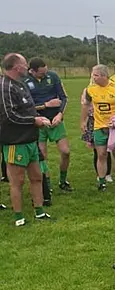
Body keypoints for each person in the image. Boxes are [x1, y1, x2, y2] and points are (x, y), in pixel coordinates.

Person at [0, 53, 53, 226]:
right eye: (24, 64)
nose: (27, 67)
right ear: (16, 67)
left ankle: (39, 211)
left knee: (37, 176)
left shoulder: (20, 84)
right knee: (17, 181)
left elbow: (27, 110)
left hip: (31, 140)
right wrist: (33, 121)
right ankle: (19, 217)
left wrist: (39, 118)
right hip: (16, 142)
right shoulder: (5, 86)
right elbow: (9, 116)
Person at [26, 57, 70, 203]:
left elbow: (64, 98)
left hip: (56, 120)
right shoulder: (24, 82)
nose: (44, 75)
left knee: (65, 151)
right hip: (38, 123)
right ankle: (46, 185)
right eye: (41, 74)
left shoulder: (53, 76)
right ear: (32, 71)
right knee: (42, 156)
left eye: (45, 72)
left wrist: (60, 114)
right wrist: (45, 105)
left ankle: (63, 181)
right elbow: (26, 106)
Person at [81, 64, 115, 190]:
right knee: (101, 154)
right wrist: (83, 121)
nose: (93, 77)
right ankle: (102, 182)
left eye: (96, 75)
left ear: (104, 76)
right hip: (99, 126)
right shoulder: (90, 89)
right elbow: (85, 105)